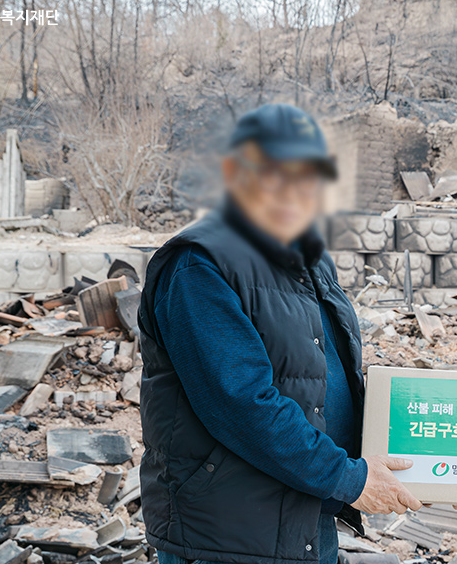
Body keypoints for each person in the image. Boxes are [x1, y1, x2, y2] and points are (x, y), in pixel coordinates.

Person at [138, 103, 422, 564]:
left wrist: (442, 469)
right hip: (227, 534)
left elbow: (327, 381)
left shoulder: (310, 260)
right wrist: (349, 479)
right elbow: (241, 404)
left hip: (303, 517)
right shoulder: (200, 265)